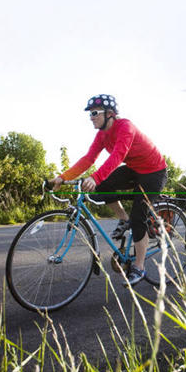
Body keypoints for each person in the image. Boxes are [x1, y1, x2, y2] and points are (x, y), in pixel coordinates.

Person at [50, 94, 168, 286]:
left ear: (110, 114)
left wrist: (95, 177)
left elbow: (118, 156)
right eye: (90, 114)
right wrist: (63, 177)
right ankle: (124, 219)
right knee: (103, 187)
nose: (91, 117)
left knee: (139, 215)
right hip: (134, 169)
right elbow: (88, 159)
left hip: (154, 172)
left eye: (95, 113)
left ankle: (138, 267)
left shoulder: (125, 127)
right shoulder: (101, 135)